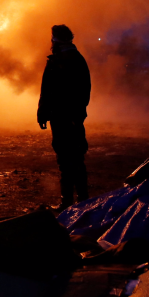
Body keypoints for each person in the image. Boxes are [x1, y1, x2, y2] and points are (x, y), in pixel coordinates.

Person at [37, 25, 91, 209]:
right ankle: (77, 200)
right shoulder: (74, 59)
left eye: (52, 38)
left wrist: (44, 113)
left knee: (70, 158)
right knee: (72, 158)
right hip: (65, 117)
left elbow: (79, 91)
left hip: (64, 118)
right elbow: (48, 90)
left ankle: (72, 201)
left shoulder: (64, 60)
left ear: (56, 40)